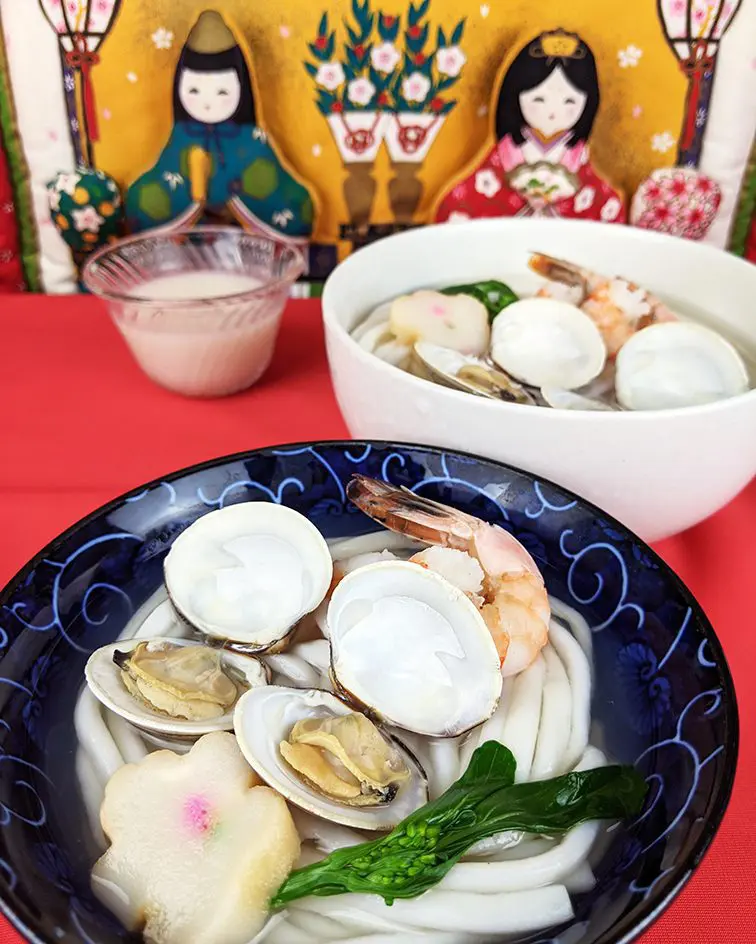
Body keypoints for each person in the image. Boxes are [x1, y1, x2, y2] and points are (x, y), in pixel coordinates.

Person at [126, 10, 314, 242]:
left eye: (222, 91)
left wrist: (235, 187)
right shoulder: (182, 134)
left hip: (246, 231)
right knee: (141, 200)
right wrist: (195, 192)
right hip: (194, 226)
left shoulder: (250, 135)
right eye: (194, 90)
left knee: (297, 205)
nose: (207, 103)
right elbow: (166, 174)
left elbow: (267, 176)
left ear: (241, 89)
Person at [433, 29, 624, 224]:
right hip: (507, 214)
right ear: (515, 94)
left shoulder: (577, 155)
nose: (553, 111)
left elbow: (593, 193)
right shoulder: (507, 151)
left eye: (570, 102)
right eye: (539, 99)